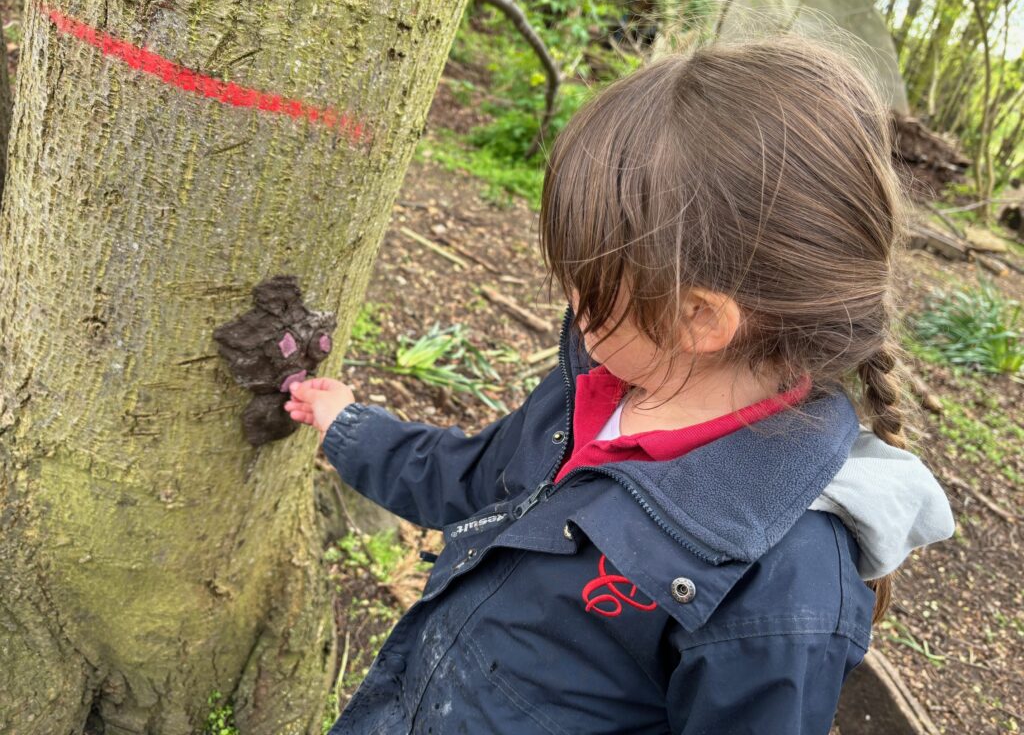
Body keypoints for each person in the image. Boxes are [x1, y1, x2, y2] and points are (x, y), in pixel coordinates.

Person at [287, 37, 955, 734]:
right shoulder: (597, 391)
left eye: (589, 283)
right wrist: (354, 428)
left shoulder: (782, 589)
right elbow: (474, 478)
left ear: (699, 316)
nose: (570, 299)